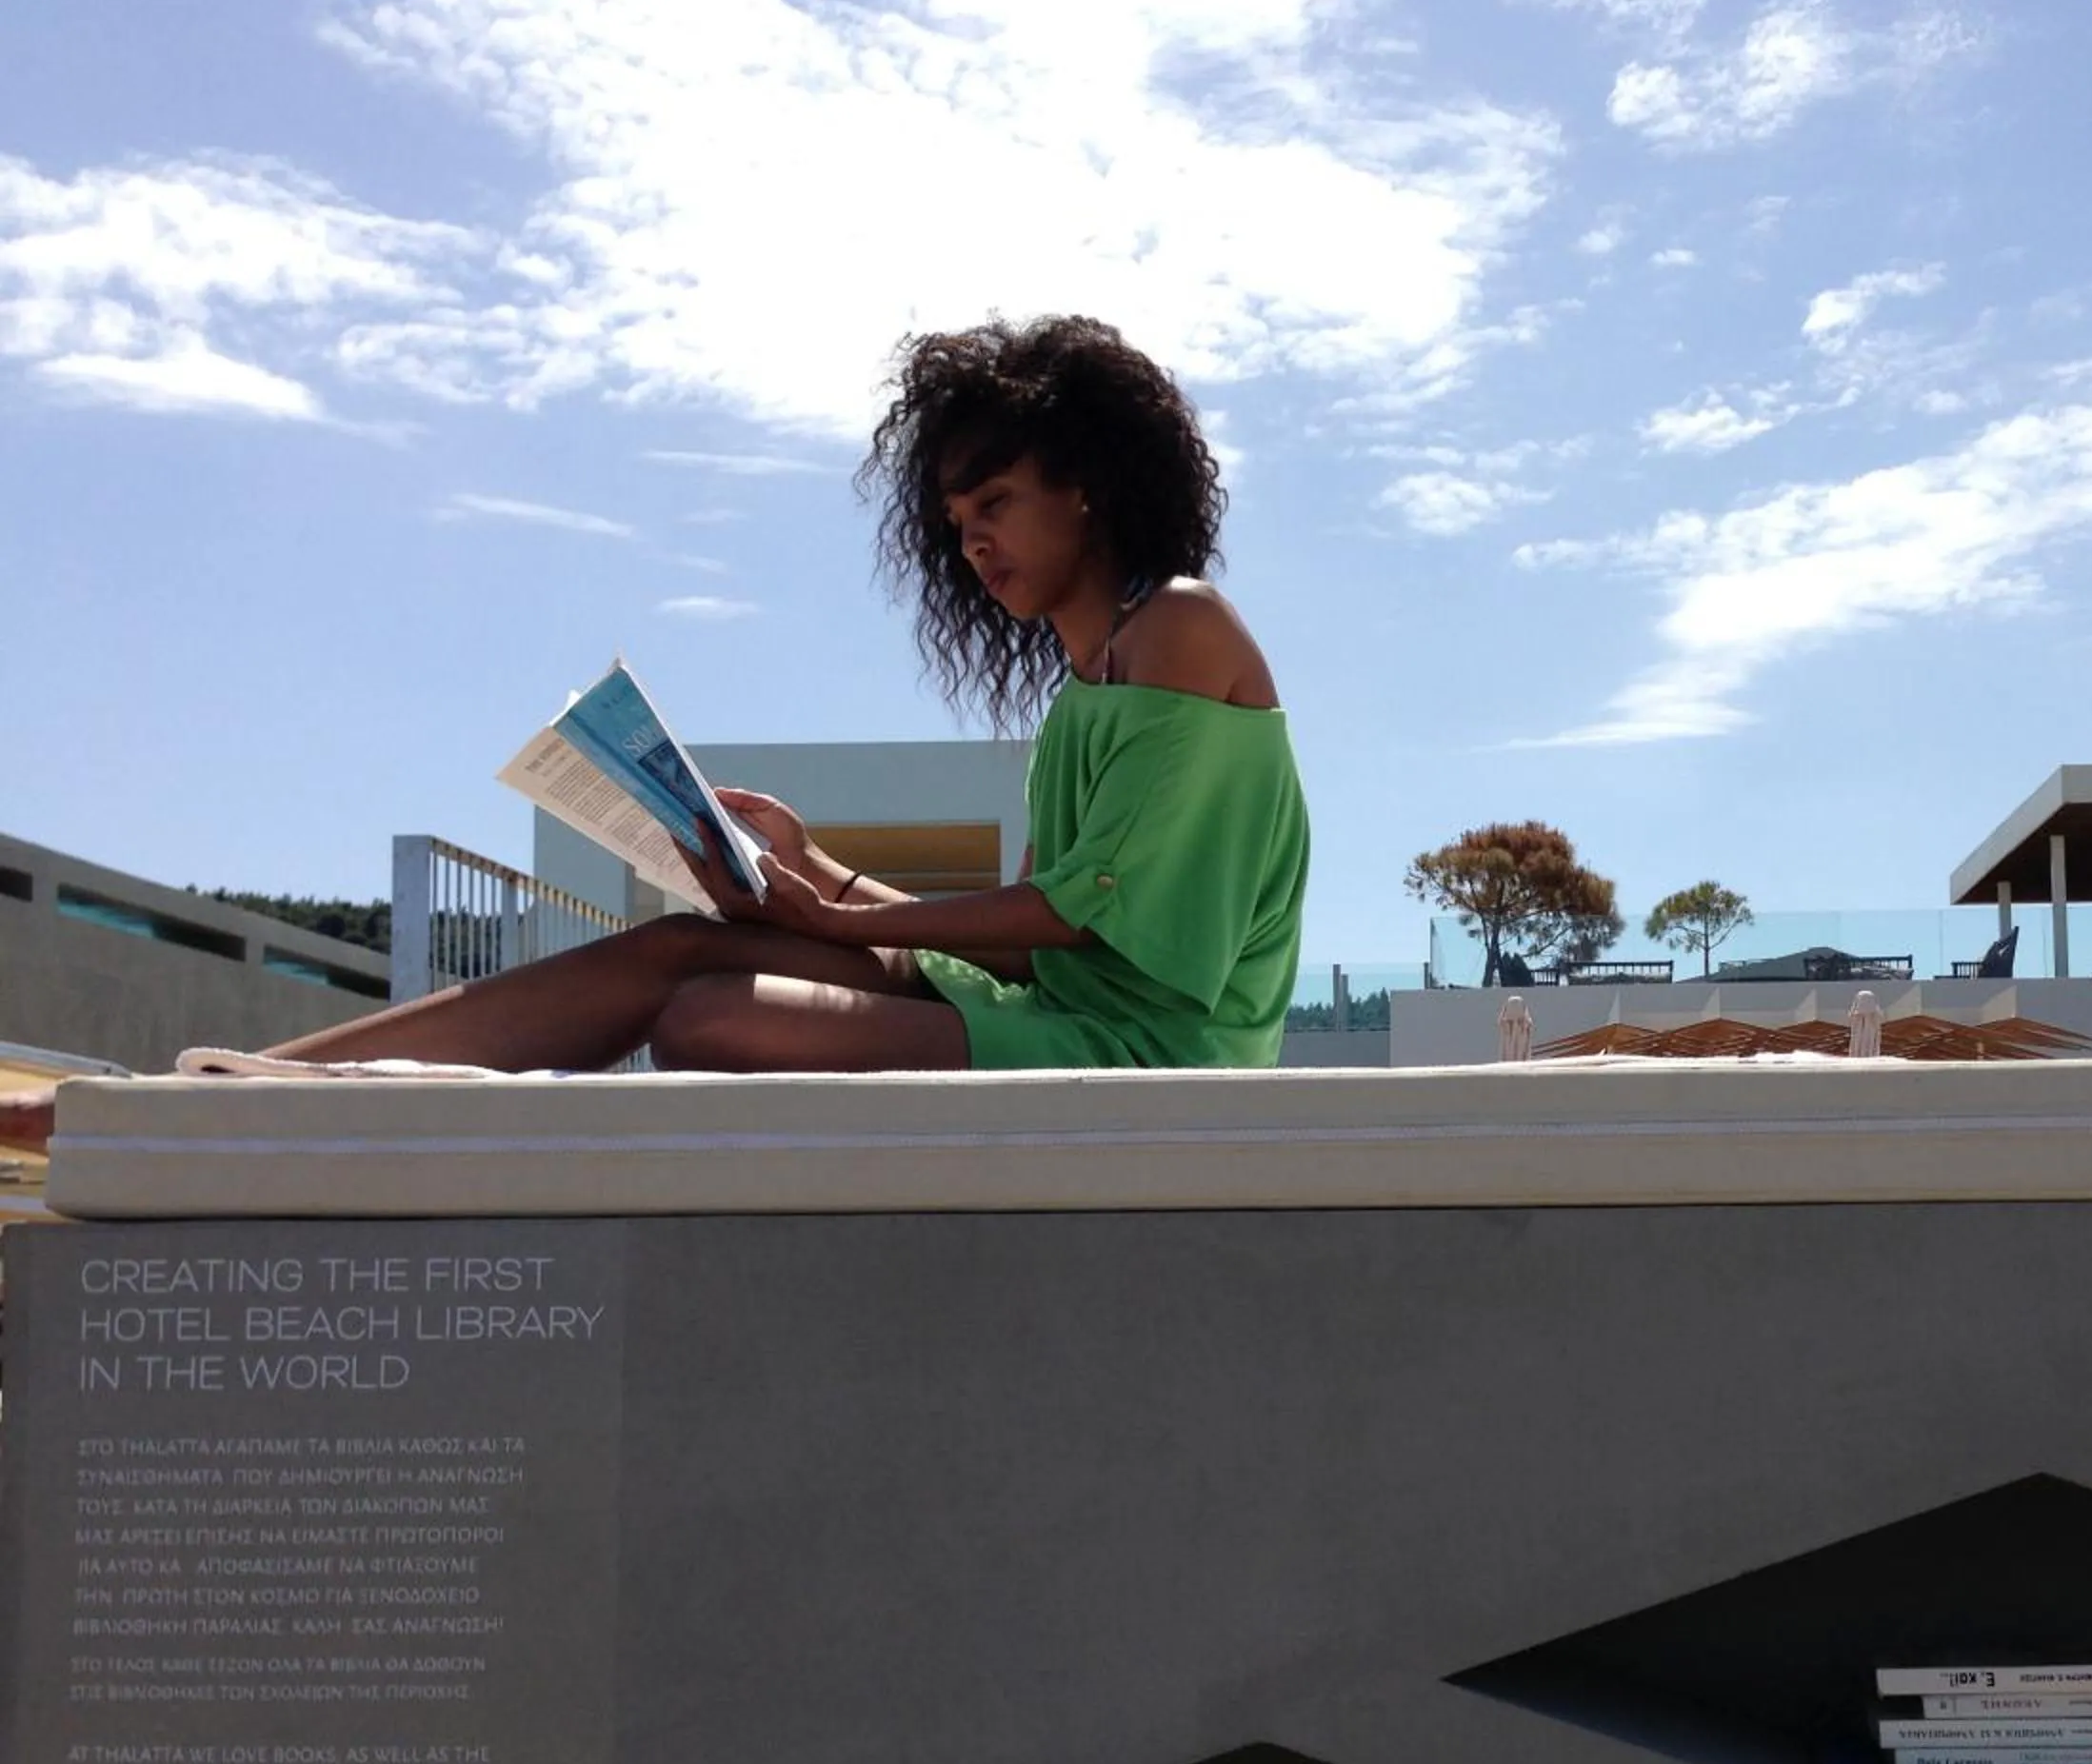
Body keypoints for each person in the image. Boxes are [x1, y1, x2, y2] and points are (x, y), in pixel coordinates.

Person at [0, 316, 1310, 1153]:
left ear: (1087, 486)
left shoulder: (1181, 628)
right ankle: (186, 1104)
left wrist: (843, 922)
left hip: (1150, 1055)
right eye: (957, 518)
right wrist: (822, 872)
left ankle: (205, 1122)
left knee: (713, 1014)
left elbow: (1088, 918)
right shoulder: (1088, 681)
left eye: (998, 503)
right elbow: (1055, 934)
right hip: (1063, 1014)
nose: (973, 542)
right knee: (689, 945)